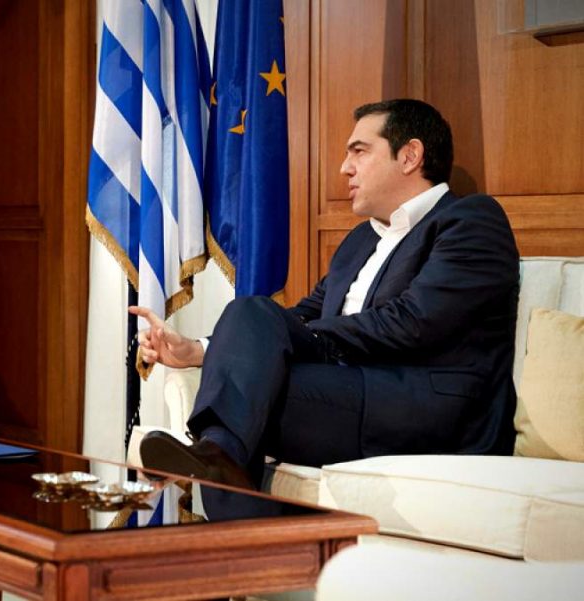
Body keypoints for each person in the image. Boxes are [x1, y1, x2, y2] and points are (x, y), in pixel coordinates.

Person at [134, 99, 520, 491]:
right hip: (349, 392)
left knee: (248, 395)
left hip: (428, 410)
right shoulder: (359, 241)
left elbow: (413, 322)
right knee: (249, 317)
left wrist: (307, 339)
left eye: (359, 151)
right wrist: (199, 350)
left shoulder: (470, 221)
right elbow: (300, 316)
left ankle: (219, 456)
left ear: (409, 156)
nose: (344, 168)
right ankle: (221, 460)